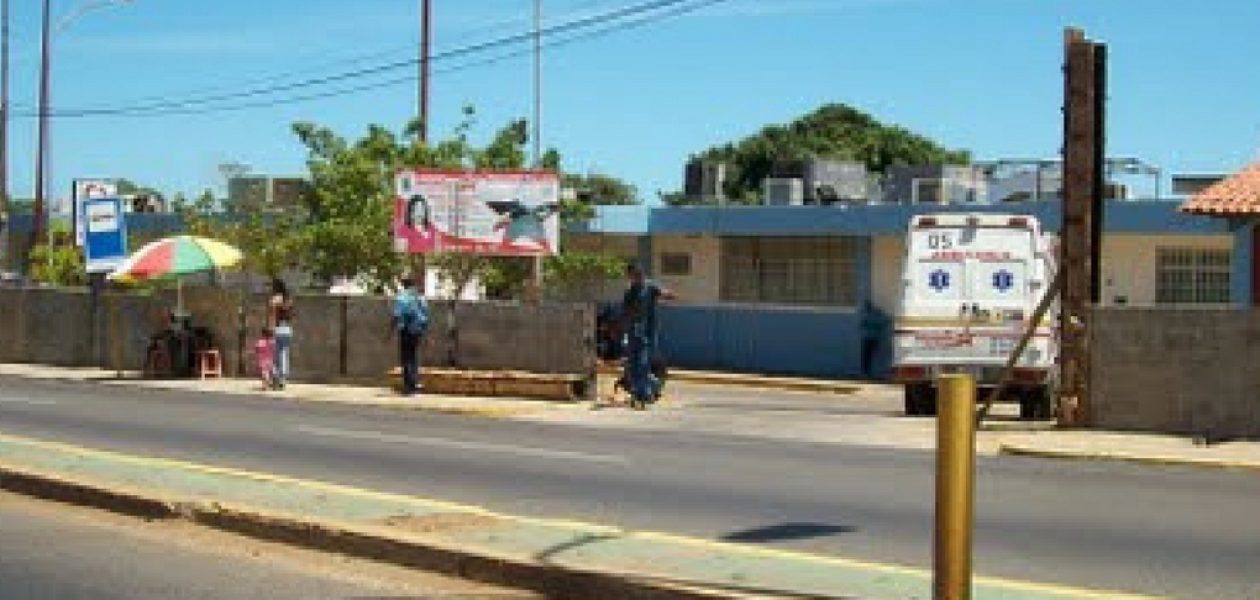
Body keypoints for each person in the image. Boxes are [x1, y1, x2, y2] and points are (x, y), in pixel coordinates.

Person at [620, 262, 676, 409]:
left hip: (647, 332)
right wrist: (625, 332)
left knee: (643, 363)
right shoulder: (630, 292)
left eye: (638, 275)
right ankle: (640, 391)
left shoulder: (650, 287)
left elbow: (664, 293)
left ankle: (646, 392)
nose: (636, 278)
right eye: (632, 276)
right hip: (633, 332)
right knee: (633, 364)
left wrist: (668, 294)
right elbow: (625, 313)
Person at [392, 275, 430, 396]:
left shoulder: (402, 297)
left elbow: (397, 315)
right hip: (417, 329)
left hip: (406, 329)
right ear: (413, 284)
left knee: (406, 358)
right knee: (413, 357)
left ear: (403, 285)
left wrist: (390, 329)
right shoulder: (420, 297)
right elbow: (425, 312)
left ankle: (409, 387)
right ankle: (414, 384)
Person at [267, 279, 295, 390]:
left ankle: (276, 379)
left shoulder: (275, 299)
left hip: (278, 328)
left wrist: (271, 328)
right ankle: (282, 379)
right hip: (287, 328)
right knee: (284, 354)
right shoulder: (288, 299)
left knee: (275, 356)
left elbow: (272, 314)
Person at [860, 301, 890, 379]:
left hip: (868, 338)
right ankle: (874, 372)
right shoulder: (878, 315)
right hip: (875, 338)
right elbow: (886, 322)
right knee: (872, 355)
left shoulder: (867, 316)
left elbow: (862, 324)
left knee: (866, 356)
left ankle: (867, 372)